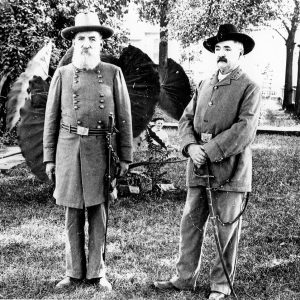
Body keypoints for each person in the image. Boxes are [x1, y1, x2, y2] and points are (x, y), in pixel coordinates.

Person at [153, 24, 261, 300]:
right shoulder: (205, 83)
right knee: (190, 224)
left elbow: (245, 128)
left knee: (226, 229)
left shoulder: (249, 86)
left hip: (230, 169)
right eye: (218, 49)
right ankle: (183, 279)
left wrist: (210, 150)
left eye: (227, 48)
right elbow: (186, 119)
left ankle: (220, 286)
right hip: (198, 167)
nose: (221, 53)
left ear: (240, 52)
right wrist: (190, 146)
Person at [43, 12, 133, 290]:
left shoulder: (112, 73)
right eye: (80, 38)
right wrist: (49, 156)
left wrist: (125, 155)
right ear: (73, 42)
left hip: (101, 150)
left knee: (98, 212)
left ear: (100, 43)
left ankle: (97, 272)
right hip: (68, 149)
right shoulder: (63, 73)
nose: (85, 43)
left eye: (92, 38)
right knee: (72, 213)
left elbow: (124, 118)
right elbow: (51, 117)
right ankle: (73, 272)